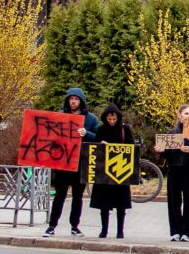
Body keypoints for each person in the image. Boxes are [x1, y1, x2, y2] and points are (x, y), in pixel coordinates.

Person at [44, 87, 98, 237]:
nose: (73, 102)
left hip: (80, 164)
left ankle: (75, 226)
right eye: (71, 99)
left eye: (76, 99)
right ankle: (51, 225)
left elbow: (99, 137)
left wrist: (87, 133)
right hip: (63, 163)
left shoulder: (90, 118)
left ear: (81, 101)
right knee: (60, 195)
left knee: (77, 197)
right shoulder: (61, 116)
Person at [154, 104, 189, 242]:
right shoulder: (172, 133)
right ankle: (175, 231)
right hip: (174, 170)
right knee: (174, 202)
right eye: (186, 113)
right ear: (179, 115)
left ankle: (187, 232)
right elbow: (167, 153)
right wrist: (161, 151)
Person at [90, 104, 133, 239]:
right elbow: (95, 148)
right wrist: (101, 145)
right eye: (109, 118)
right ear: (105, 118)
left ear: (118, 117)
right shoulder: (101, 129)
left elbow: (132, 147)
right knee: (104, 204)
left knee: (121, 204)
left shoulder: (125, 129)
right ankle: (104, 230)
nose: (112, 121)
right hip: (104, 173)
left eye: (114, 118)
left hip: (121, 170)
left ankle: (120, 231)